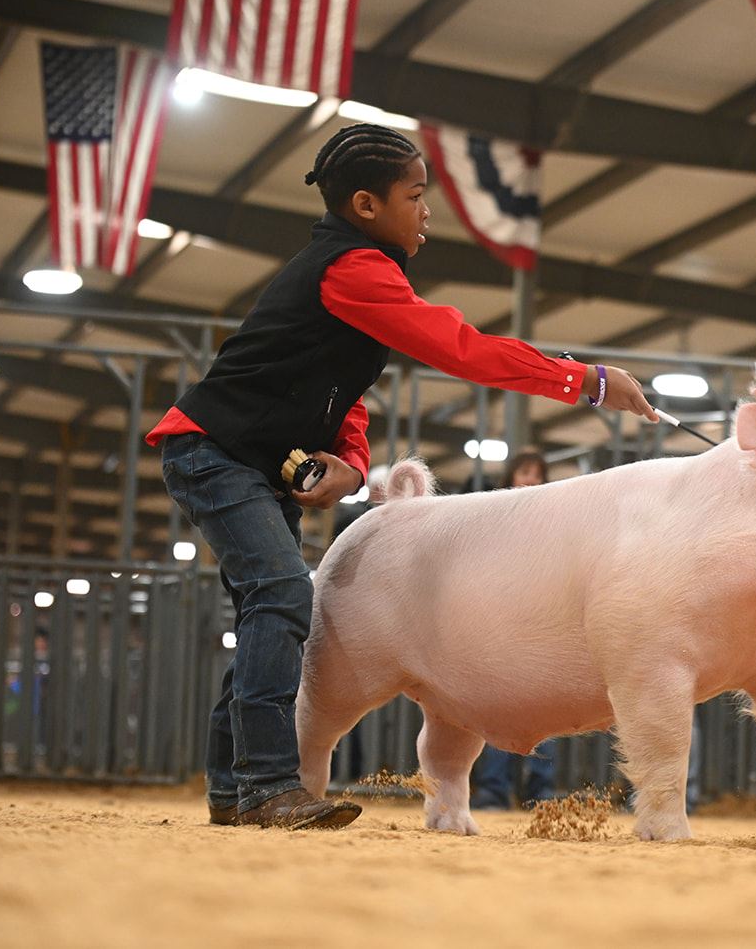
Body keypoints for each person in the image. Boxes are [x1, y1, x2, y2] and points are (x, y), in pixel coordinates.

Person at [146, 124, 657, 830]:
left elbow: (344, 392)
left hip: (247, 458)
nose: (425, 212)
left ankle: (236, 789)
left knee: (270, 604)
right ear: (364, 204)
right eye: (415, 196)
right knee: (280, 592)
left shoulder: (359, 274)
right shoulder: (353, 268)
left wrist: (352, 463)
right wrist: (586, 381)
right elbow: (464, 350)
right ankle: (265, 784)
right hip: (214, 450)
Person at [470, 449, 559, 810]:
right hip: (503, 625)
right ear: (510, 477)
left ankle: (540, 794)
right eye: (524, 472)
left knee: (551, 713)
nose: (532, 480)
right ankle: (493, 790)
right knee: (498, 710)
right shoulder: (493, 518)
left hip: (546, 624)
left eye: (538, 474)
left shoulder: (555, 521)